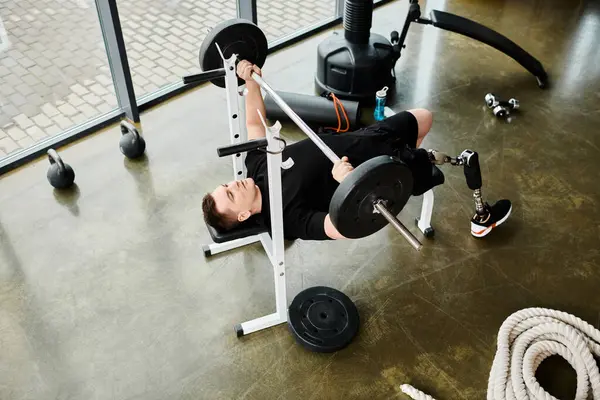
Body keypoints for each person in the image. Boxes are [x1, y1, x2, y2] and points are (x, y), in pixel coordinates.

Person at [202, 61, 511, 240]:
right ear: (243, 214)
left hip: (364, 138)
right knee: (417, 165)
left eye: (226, 185)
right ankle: (416, 174)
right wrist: (348, 183)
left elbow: (255, 125)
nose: (234, 183)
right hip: (377, 173)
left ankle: (413, 159)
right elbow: (338, 228)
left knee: (424, 117)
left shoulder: (256, 168)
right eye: (230, 193)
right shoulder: (284, 219)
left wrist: (251, 81)